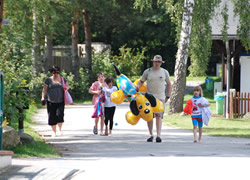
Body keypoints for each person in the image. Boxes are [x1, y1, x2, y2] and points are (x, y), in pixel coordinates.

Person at [136, 55, 172, 143]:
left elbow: (169, 84)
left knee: (159, 116)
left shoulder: (164, 72)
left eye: (159, 62)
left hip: (160, 97)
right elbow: (141, 81)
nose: (157, 63)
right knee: (149, 116)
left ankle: (158, 135)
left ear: (161, 63)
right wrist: (137, 87)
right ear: (153, 62)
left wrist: (168, 96)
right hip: (149, 97)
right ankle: (150, 134)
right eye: (155, 61)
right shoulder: (147, 71)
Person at [41, 65, 69, 137]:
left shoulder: (63, 79)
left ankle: (60, 130)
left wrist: (66, 87)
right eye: (54, 72)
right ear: (51, 72)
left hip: (60, 100)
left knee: (60, 115)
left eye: (57, 72)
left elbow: (67, 87)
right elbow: (44, 89)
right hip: (51, 101)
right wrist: (43, 97)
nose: (56, 74)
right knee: (52, 116)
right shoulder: (48, 80)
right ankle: (54, 132)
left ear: (59, 72)